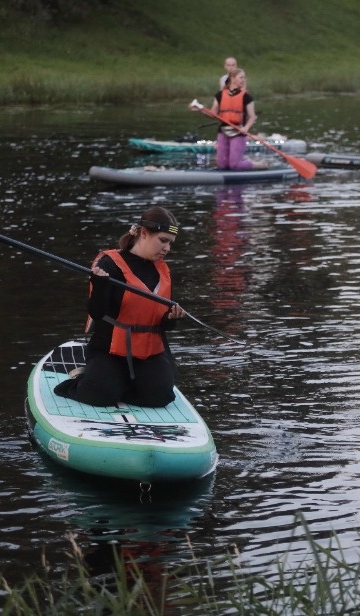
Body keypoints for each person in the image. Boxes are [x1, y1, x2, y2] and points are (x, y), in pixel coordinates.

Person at [53, 207, 186, 408]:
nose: (167, 248)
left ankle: (122, 386)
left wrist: (172, 319)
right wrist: (99, 286)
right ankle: (84, 380)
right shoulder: (109, 265)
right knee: (101, 396)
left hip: (148, 353)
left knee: (161, 398)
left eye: (170, 243)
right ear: (143, 233)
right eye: (163, 240)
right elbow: (96, 313)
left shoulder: (161, 270)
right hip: (109, 350)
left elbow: (162, 325)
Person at [203, 67, 268, 171]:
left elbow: (252, 117)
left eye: (244, 78)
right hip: (223, 131)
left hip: (239, 132)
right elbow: (212, 114)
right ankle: (241, 160)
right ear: (233, 79)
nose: (244, 80)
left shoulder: (247, 97)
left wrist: (246, 128)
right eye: (241, 77)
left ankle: (258, 164)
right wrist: (201, 109)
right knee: (222, 166)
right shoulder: (220, 95)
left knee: (235, 166)